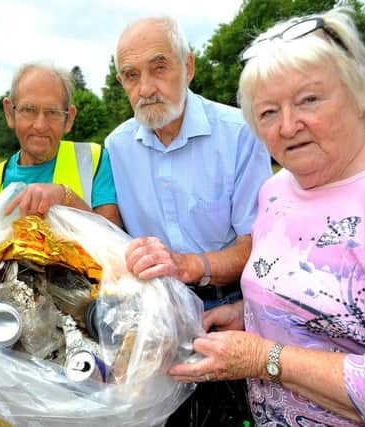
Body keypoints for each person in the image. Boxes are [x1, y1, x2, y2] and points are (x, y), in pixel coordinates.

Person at [168, 6, 365, 426]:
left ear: (358, 91)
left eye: (308, 99)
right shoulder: (277, 190)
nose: (289, 125)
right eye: (268, 112)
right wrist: (251, 315)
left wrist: (262, 357)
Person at [105, 16, 272, 426]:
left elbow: (261, 245)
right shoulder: (115, 147)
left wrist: (190, 266)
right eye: (130, 75)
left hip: (233, 314)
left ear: (189, 67)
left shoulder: (239, 133)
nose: (144, 88)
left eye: (158, 67)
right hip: (153, 325)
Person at [0, 63, 121, 227]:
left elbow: (113, 239)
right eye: (28, 110)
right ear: (9, 113)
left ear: (69, 119)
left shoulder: (93, 160)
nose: (40, 125)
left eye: (53, 112)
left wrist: (66, 197)